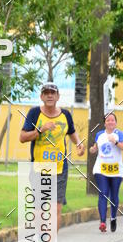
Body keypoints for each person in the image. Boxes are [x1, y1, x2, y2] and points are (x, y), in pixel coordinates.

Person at [19, 82, 85, 230]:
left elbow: (72, 132)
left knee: (56, 209)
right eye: (46, 93)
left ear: (58, 96)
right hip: (39, 169)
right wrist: (40, 130)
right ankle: (38, 240)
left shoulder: (66, 115)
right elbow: (22, 137)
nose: (50, 95)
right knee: (39, 211)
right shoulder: (35, 113)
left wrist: (79, 144)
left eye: (52, 93)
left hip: (60, 168)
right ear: (41, 96)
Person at [88, 112, 123, 232]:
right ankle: (102, 222)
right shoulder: (99, 135)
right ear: (104, 123)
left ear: (115, 122)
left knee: (114, 195)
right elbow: (94, 148)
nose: (110, 122)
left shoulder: (119, 134)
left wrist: (116, 142)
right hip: (101, 169)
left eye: (112, 120)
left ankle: (113, 217)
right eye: (108, 120)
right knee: (103, 193)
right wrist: (92, 149)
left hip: (116, 170)